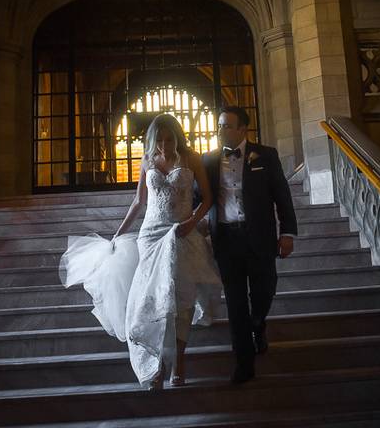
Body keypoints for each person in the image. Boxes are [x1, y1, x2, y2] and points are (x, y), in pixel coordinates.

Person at [58, 114, 222, 391]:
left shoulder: (191, 158)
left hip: (182, 233)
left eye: (169, 139)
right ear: (152, 140)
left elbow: (207, 198)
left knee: (180, 300)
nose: (164, 145)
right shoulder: (147, 161)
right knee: (152, 302)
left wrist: (192, 222)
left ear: (177, 137)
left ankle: (179, 362)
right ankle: (157, 366)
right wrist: (119, 233)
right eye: (159, 140)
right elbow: (138, 202)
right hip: (151, 236)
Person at [202, 106, 297, 385]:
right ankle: (243, 362)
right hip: (226, 240)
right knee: (235, 303)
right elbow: (198, 197)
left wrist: (288, 232)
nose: (220, 130)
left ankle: (259, 322)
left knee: (264, 290)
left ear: (243, 129)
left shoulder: (266, 155)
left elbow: (282, 195)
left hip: (260, 237)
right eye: (219, 125)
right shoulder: (208, 160)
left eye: (227, 126)